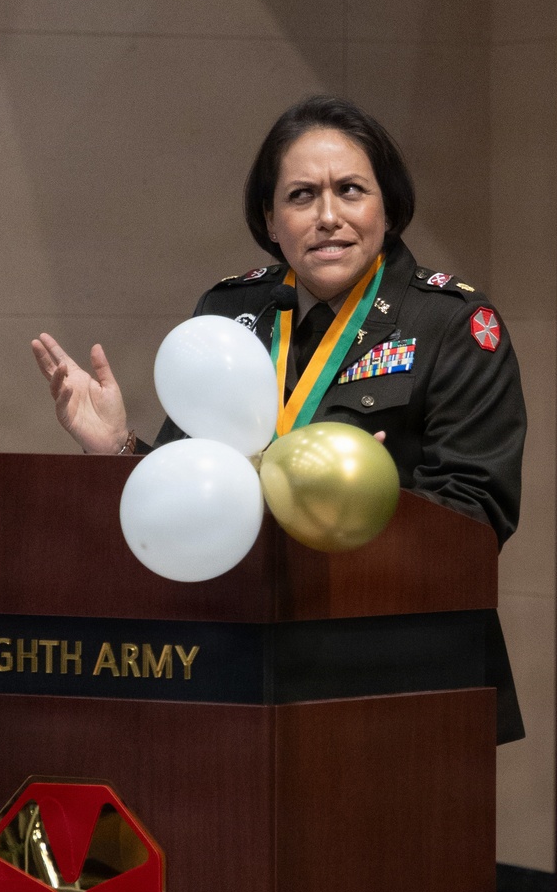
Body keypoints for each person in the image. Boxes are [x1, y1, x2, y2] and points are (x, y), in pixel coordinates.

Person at [32, 95, 526, 741]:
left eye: (351, 190)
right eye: (301, 196)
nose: (328, 217)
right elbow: (198, 497)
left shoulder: (454, 325)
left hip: (402, 677)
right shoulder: (230, 312)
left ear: (388, 206)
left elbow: (477, 514)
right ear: (270, 218)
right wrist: (121, 447)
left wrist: (363, 503)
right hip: (241, 667)